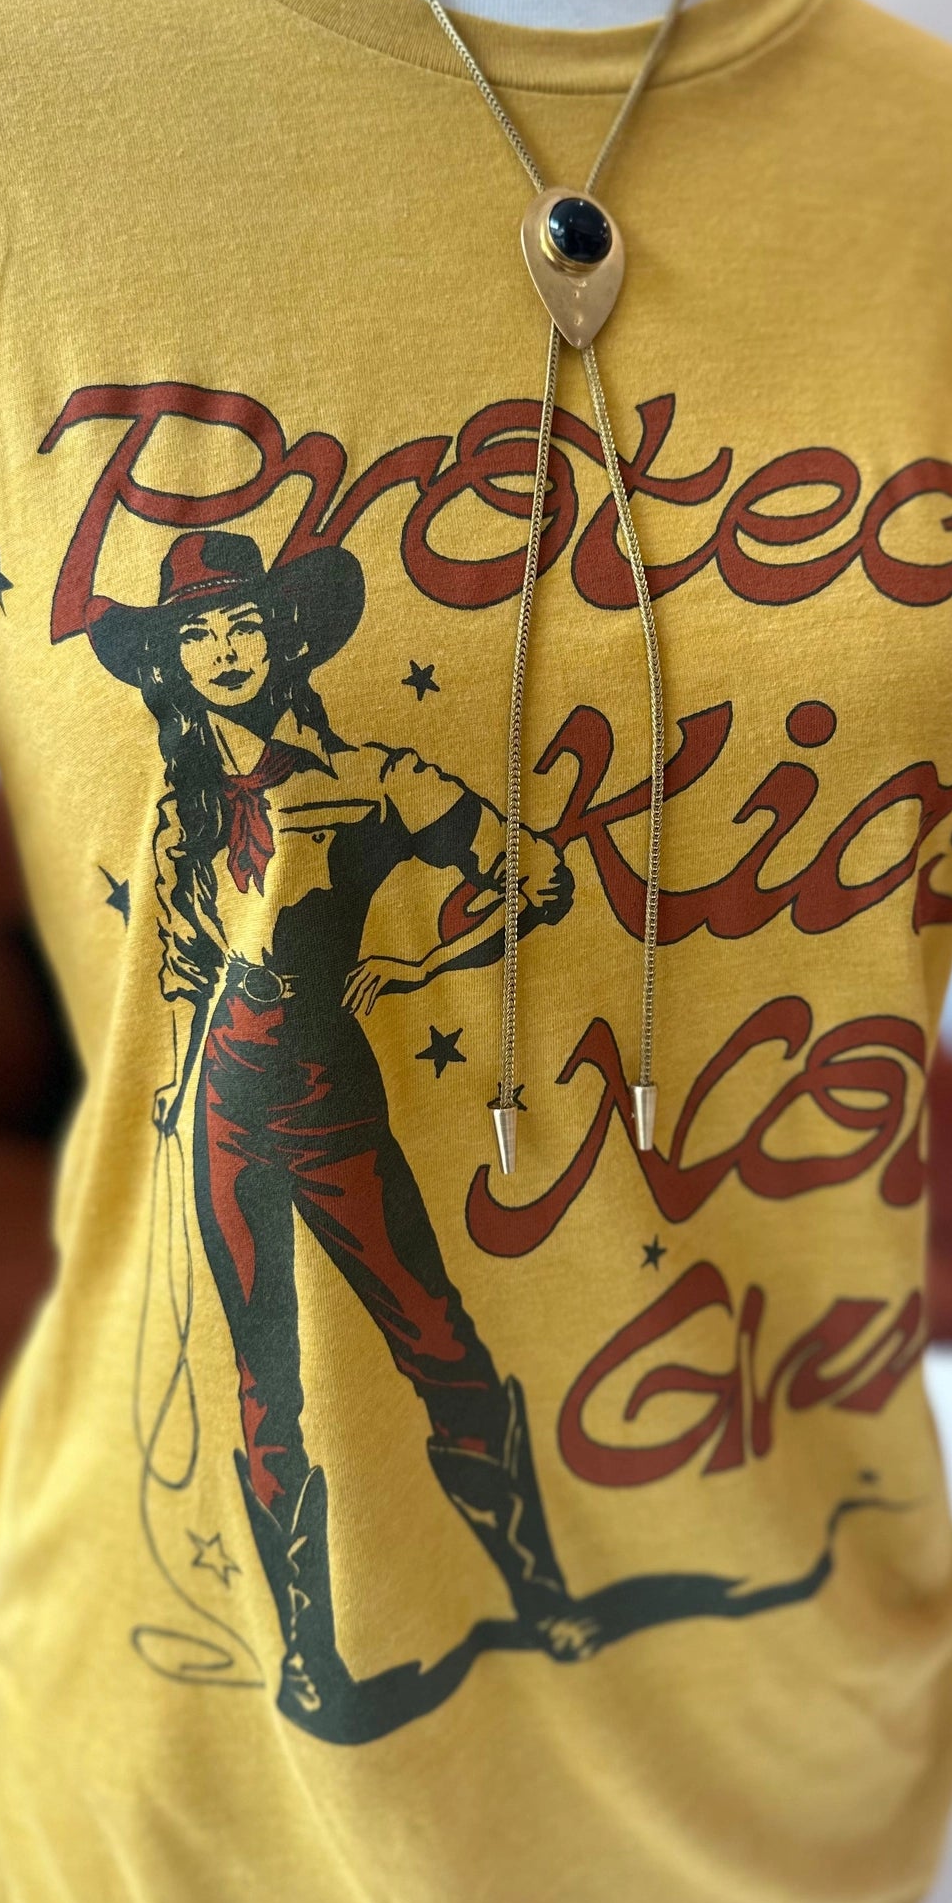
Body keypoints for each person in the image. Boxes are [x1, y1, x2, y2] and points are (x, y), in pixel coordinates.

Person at [88, 527, 591, 1734]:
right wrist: (170, 1081)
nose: (223, 648)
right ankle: (309, 1661)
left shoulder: (372, 776)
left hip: (331, 1094)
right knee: (265, 1384)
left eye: (242, 624)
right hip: (221, 1109)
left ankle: (540, 1594)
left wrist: (421, 960)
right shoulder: (181, 807)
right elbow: (181, 965)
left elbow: (538, 874)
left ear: (284, 638)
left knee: (435, 1331)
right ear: (171, 659)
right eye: (197, 633)